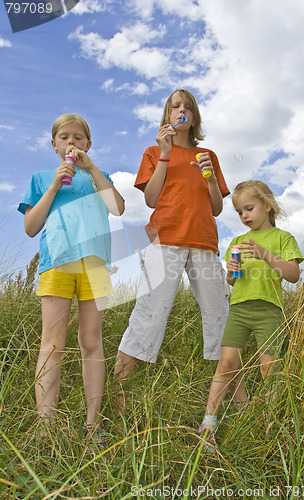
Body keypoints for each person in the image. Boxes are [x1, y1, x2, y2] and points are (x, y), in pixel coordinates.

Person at [114, 89, 245, 406]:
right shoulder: (153, 151)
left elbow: (216, 208)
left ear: (194, 116)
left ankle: (243, 404)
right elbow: (150, 199)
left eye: (188, 106)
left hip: (203, 243)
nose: (181, 110)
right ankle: (115, 401)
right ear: (167, 114)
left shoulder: (207, 156)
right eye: (175, 106)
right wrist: (164, 153)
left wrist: (211, 179)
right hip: (166, 241)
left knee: (221, 319)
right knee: (148, 315)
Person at [18, 113, 125, 447]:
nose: (72, 143)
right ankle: (45, 425)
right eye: (64, 137)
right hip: (57, 262)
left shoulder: (98, 176)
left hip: (95, 264)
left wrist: (93, 170)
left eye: (79, 138)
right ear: (54, 145)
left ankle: (93, 425)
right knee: (52, 344)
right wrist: (53, 185)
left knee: (91, 341)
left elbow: (118, 208)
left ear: (88, 145)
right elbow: (31, 227)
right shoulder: (40, 178)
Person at [199, 180, 304, 451]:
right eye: (239, 212)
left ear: (267, 206)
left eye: (249, 208)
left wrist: (264, 254)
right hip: (240, 308)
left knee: (269, 367)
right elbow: (233, 281)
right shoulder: (237, 241)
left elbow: (293, 275)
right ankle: (208, 425)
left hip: (269, 309)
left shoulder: (283, 238)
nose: (245, 216)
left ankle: (269, 424)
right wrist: (231, 270)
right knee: (226, 363)